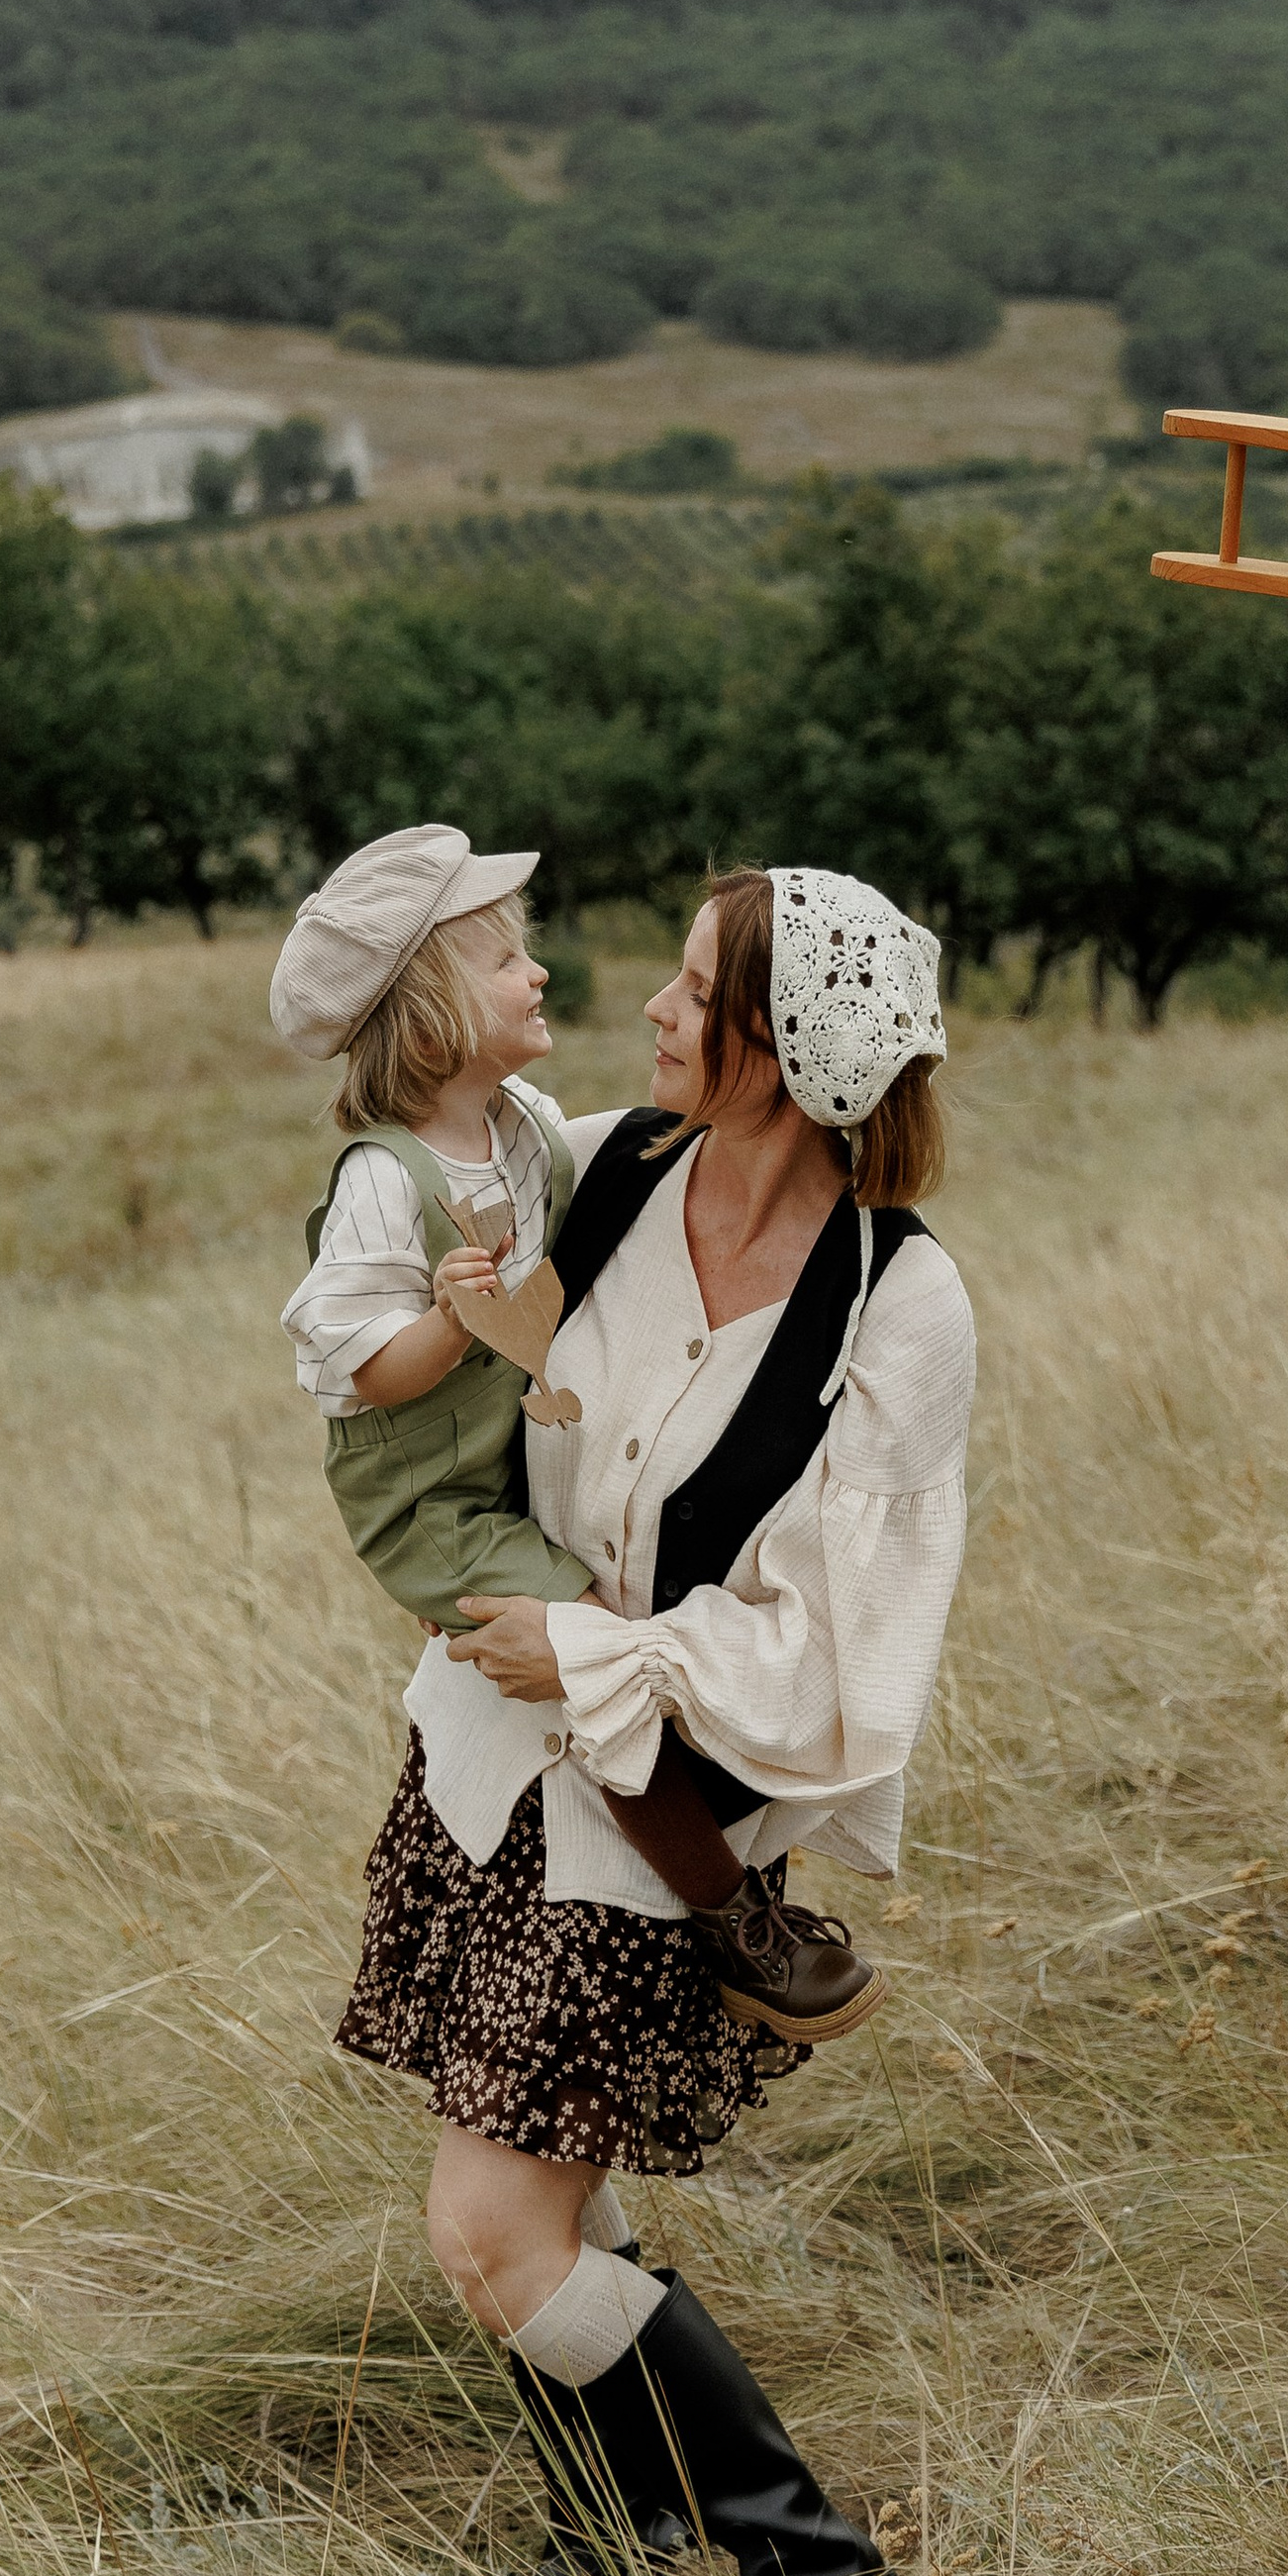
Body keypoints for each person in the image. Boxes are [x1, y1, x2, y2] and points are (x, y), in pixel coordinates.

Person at [320, 862, 974, 2576]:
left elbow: (854, 1658)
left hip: (652, 1814)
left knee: (489, 2226)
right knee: (548, 2198)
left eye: (694, 994)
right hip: (484, 1766)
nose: (654, 1014)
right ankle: (619, 2522)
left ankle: (816, 2565)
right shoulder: (600, 1167)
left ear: (780, 1049)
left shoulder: (897, 1310)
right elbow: (406, 1282)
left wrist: (604, 1653)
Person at [275, 826, 881, 2040]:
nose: (538, 973)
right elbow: (352, 1370)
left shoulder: (531, 1128)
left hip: (505, 1461)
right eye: (506, 959)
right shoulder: (384, 1183)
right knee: (600, 1647)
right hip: (434, 1500)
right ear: (435, 1009)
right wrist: (458, 1323)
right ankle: (736, 1921)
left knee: (606, 1632)